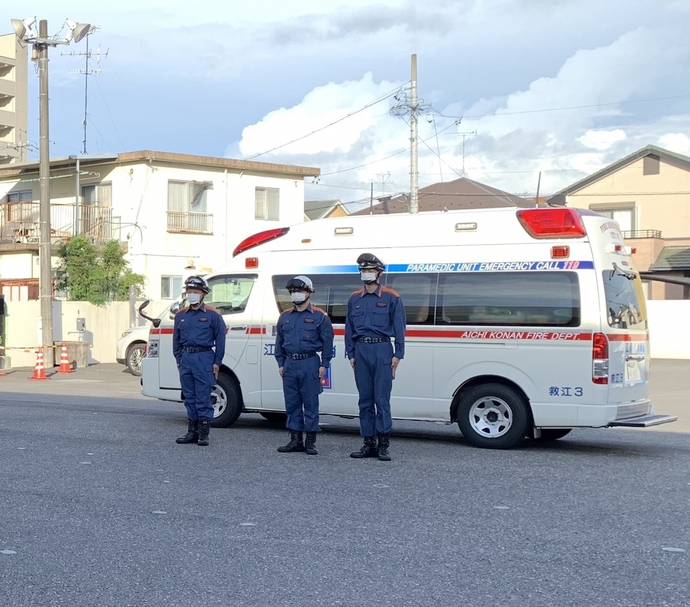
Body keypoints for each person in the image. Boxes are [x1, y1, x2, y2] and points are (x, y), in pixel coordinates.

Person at [345, 253, 405, 461]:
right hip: (361, 350)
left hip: (382, 351)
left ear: (379, 273)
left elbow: (399, 327)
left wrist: (398, 354)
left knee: (382, 399)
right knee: (365, 400)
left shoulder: (391, 296)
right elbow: (349, 328)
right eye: (363, 270)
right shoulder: (354, 298)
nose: (366, 274)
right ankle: (368, 443)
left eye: (369, 270)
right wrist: (350, 353)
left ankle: (383, 444)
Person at [274, 276, 334, 455]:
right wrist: (281, 362)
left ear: (309, 293)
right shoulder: (285, 317)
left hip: (310, 363)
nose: (296, 295)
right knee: (292, 403)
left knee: (310, 403)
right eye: (292, 292)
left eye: (299, 291)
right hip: (290, 363)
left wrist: (324, 364)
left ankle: (310, 441)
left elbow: (327, 343)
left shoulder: (320, 316)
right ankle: (295, 440)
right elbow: (280, 342)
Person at [173, 275, 226, 447]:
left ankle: (204, 434)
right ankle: (192, 431)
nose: (191, 295)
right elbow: (176, 340)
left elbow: (221, 341)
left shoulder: (213, 315)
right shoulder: (181, 315)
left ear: (203, 294)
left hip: (204, 358)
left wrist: (217, 362)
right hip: (187, 358)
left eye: (195, 291)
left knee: (203, 396)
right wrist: (179, 359)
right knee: (189, 397)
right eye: (189, 291)